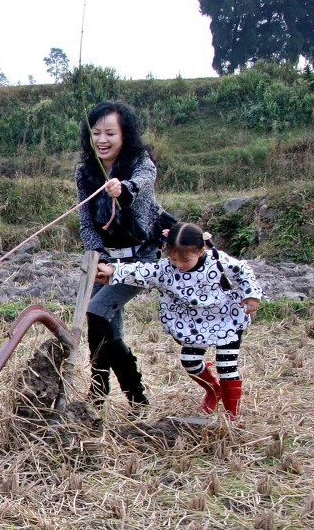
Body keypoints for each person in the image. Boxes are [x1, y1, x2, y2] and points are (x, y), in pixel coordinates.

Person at [95, 222, 262, 420]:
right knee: (190, 361)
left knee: (227, 366)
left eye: (185, 259)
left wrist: (251, 296)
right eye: (174, 258)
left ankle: (231, 417)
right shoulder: (166, 269)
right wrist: (113, 271)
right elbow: (142, 271)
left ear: (200, 252)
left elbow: (243, 272)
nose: (179, 264)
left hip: (225, 319)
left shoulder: (217, 262)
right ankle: (213, 390)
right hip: (194, 323)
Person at [76, 100, 163, 412]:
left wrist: (122, 189)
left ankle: (125, 394)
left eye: (109, 133)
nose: (102, 139)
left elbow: (139, 187)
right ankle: (114, 398)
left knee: (98, 312)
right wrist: (97, 257)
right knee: (101, 323)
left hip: (141, 259)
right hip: (106, 260)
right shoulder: (85, 172)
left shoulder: (141, 163)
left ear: (124, 135)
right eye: (96, 133)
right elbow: (86, 222)